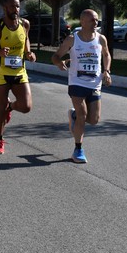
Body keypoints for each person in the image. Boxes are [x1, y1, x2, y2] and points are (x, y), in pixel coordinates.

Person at [51, 9, 112, 163]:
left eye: (97, 20)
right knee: (83, 114)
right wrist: (59, 63)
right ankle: (78, 149)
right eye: (92, 20)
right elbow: (56, 56)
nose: (96, 23)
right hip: (76, 82)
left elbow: (106, 55)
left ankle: (73, 117)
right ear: (83, 21)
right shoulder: (72, 40)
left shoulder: (101, 39)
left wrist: (106, 71)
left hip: (95, 83)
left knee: (94, 120)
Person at [0, 0, 36, 154]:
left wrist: (29, 53)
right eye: (12, 6)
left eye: (17, 6)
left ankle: (10, 107)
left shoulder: (25, 24)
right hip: (1, 74)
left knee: (26, 106)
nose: (15, 9)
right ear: (5, 8)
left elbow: (25, 40)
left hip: (20, 72)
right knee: (0, 108)